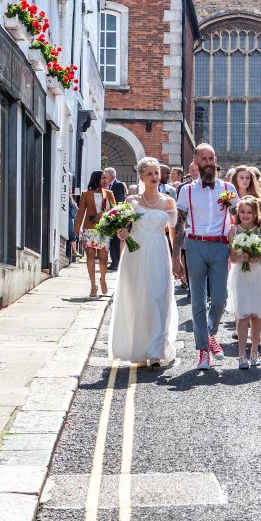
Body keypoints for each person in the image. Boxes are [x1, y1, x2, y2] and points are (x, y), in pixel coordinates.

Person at [108, 157, 178, 367]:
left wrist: (177, 260)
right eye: (150, 174)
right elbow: (126, 229)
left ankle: (156, 351)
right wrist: (122, 234)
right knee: (138, 298)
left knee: (158, 298)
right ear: (141, 177)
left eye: (156, 173)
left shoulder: (168, 202)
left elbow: (173, 233)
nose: (155, 177)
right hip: (135, 253)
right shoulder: (132, 202)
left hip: (158, 252)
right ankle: (139, 349)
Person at [173, 144, 234, 370]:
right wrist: (176, 256)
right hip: (195, 246)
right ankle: (203, 351)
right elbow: (179, 225)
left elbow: (241, 217)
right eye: (204, 159)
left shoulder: (228, 188)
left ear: (215, 160)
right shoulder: (187, 190)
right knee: (197, 300)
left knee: (219, 298)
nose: (208, 163)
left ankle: (211, 333)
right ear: (197, 162)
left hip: (220, 246)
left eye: (211, 158)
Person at [227, 196, 261, 368]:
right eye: (242, 212)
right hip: (241, 276)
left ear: (255, 214)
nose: (245, 215)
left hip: (258, 273)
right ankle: (241, 355)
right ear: (238, 213)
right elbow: (233, 258)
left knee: (256, 315)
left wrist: (255, 256)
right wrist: (240, 257)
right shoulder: (233, 232)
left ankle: (254, 351)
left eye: (249, 212)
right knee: (242, 315)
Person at [74, 171, 116, 298]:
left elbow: (115, 210)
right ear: (96, 179)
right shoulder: (86, 194)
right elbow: (81, 212)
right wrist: (76, 228)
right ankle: (93, 285)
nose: (105, 180)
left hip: (104, 229)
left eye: (106, 179)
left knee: (103, 257)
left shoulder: (109, 194)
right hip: (89, 229)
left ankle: (103, 279)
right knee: (90, 255)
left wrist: (104, 214)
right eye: (103, 178)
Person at [104, 167, 126, 271]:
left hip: (116, 218)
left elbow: (119, 201)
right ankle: (113, 262)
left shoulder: (118, 184)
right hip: (109, 217)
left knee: (116, 242)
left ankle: (117, 263)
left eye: (105, 174)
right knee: (112, 242)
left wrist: (114, 215)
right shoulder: (107, 186)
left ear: (110, 175)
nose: (104, 176)